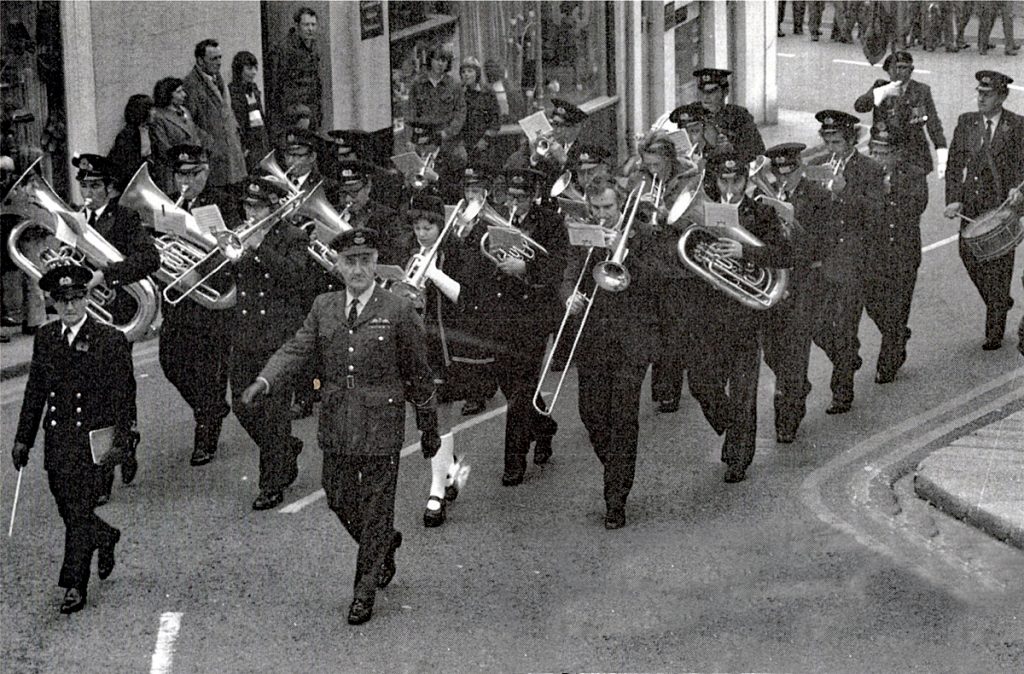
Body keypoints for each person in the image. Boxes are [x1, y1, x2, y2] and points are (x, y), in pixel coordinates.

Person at [240, 227, 439, 626]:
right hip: (337, 417)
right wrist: (265, 380)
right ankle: (384, 545)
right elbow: (296, 348)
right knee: (336, 495)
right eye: (350, 262)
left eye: (366, 261)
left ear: (376, 262)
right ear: (338, 265)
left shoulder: (396, 308)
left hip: (381, 421)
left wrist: (428, 424)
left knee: (378, 507)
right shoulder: (324, 306)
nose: (358, 270)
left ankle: (363, 592)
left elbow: (419, 372)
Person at [12, 263, 135, 614]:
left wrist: (122, 443)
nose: (70, 307)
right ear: (53, 302)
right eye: (62, 300)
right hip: (58, 441)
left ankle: (73, 584)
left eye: (77, 298)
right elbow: (35, 391)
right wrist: (24, 438)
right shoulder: (46, 338)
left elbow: (124, 395)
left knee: (79, 511)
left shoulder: (109, 339)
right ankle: (105, 535)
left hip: (93, 444)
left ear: (88, 298)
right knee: (68, 507)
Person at [682, 152, 792, 483]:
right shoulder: (705, 213)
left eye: (736, 181)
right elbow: (687, 249)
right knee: (701, 383)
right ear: (714, 181)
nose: (730, 187)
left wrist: (745, 251)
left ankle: (738, 458)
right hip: (708, 313)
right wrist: (707, 253)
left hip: (745, 316)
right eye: (723, 181)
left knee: (744, 391)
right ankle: (732, 424)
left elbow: (785, 255)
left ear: (745, 180)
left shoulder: (762, 213)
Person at [561, 176, 660, 528]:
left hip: (633, 339)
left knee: (622, 418)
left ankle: (615, 497)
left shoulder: (642, 235)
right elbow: (569, 274)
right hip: (593, 338)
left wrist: (624, 250)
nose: (603, 215)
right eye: (597, 208)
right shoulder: (584, 234)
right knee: (591, 413)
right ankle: (617, 469)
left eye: (608, 208)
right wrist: (569, 296)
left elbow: (656, 280)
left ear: (620, 206)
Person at [460, 168, 565, 485]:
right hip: (500, 311)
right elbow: (473, 261)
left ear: (534, 195)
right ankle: (544, 427)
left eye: (521, 196)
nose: (514, 202)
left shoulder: (551, 221)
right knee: (510, 383)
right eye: (510, 196)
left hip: (534, 313)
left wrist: (526, 266)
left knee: (520, 388)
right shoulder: (490, 220)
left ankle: (514, 461)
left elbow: (559, 262)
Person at [73, 153, 160, 499]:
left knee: (115, 394)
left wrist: (106, 274)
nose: (88, 192)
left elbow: (149, 259)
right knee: (91, 398)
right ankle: (112, 455)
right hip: (81, 319)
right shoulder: (73, 220)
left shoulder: (124, 219)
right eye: (83, 185)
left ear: (109, 188)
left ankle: (117, 451)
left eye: (95, 185)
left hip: (116, 319)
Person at [228, 177, 309, 510]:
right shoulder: (240, 236)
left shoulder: (294, 237)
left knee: (274, 413)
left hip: (278, 337)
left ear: (275, 207)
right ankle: (284, 449)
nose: (251, 212)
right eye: (248, 205)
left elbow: (296, 278)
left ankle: (272, 483)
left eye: (258, 206)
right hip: (245, 333)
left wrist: (261, 247)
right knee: (241, 405)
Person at [157, 145, 240, 466]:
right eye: (181, 174)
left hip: (212, 300)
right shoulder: (165, 204)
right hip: (178, 302)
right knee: (170, 363)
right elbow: (159, 248)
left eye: (194, 174)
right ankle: (211, 408)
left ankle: (206, 430)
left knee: (208, 371)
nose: (186, 181)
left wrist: (199, 271)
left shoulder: (224, 203)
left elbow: (232, 250)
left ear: (206, 171)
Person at [396, 196, 473, 527]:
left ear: (441, 226)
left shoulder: (455, 253)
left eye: (428, 227)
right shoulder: (411, 254)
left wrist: (434, 273)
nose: (422, 234)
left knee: (439, 417)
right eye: (417, 228)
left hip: (444, 346)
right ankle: (452, 466)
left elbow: (464, 296)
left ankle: (436, 492)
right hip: (416, 346)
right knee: (427, 419)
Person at [810, 110, 885, 414]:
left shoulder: (869, 169)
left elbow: (876, 213)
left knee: (843, 327)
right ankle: (848, 357)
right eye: (827, 139)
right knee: (817, 327)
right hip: (821, 260)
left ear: (851, 139)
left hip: (853, 261)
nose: (831, 147)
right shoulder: (816, 167)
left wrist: (844, 194)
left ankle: (841, 393)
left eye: (837, 140)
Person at [758, 142, 833, 443]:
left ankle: (787, 418)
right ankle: (797, 386)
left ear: (800, 167)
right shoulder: (766, 198)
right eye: (778, 173)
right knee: (772, 352)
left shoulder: (818, 196)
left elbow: (823, 245)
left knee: (793, 352)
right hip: (773, 284)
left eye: (789, 172)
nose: (784, 178)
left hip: (805, 284)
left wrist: (794, 224)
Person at [944, 70, 1024, 350]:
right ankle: (999, 302)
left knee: (1000, 268)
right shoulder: (966, 122)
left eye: (987, 94)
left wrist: (1019, 191)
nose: (981, 98)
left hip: (1002, 207)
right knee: (969, 256)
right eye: (979, 93)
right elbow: (954, 165)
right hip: (972, 205)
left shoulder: (1017, 125)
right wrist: (953, 199)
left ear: (1002, 97)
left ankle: (994, 330)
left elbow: (1022, 166)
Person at [861, 126, 928, 384]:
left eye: (884, 152)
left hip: (902, 255)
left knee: (897, 309)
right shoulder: (864, 175)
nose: (877, 157)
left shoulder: (914, 175)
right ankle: (898, 334)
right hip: (873, 255)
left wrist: (890, 192)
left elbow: (917, 206)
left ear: (898, 154)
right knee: (874, 305)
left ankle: (888, 363)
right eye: (874, 151)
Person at [853, 51, 948, 178]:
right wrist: (880, 93)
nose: (898, 72)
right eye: (894, 68)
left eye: (903, 68)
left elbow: (933, 123)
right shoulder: (880, 86)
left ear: (911, 70)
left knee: (915, 194)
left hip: (913, 153)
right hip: (884, 150)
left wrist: (942, 154)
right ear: (888, 71)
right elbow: (860, 107)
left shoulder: (921, 90)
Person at [182, 39, 248, 190]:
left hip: (232, 153)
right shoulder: (191, 85)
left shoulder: (219, 79)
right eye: (213, 59)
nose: (218, 63)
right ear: (200, 60)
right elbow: (189, 123)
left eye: (220, 58)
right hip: (214, 160)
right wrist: (209, 145)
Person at [408, 45, 467, 180]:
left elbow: (460, 112)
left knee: (460, 160)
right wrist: (409, 140)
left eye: (444, 60)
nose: (441, 64)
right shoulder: (418, 84)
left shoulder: (454, 85)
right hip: (424, 139)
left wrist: (448, 132)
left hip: (448, 140)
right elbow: (411, 113)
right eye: (437, 59)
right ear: (430, 60)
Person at [693, 68, 765, 163]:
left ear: (725, 92)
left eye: (712, 92)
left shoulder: (739, 116)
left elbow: (757, 152)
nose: (706, 97)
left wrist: (731, 149)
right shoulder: (692, 113)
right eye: (702, 92)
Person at [268, 7, 323, 131]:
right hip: (294, 117)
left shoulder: (313, 48)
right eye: (306, 25)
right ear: (297, 25)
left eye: (313, 25)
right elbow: (279, 87)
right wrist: (300, 114)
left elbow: (316, 84)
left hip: (311, 114)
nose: (310, 29)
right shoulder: (284, 49)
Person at [150, 77, 209, 193]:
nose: (184, 95)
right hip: (174, 172)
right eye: (179, 92)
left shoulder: (184, 111)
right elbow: (163, 148)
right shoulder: (159, 116)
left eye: (183, 91)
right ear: (168, 95)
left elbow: (194, 134)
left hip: (193, 167)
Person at [229, 51, 271, 172]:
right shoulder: (233, 92)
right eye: (249, 68)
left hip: (260, 140)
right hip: (248, 143)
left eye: (255, 68)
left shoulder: (254, 89)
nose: (253, 72)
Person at [107, 94, 154, 191]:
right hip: (131, 184)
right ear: (143, 112)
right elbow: (127, 166)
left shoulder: (150, 130)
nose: (154, 113)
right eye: (151, 109)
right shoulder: (127, 135)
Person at [459, 57, 500, 165]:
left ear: (477, 73)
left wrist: (485, 140)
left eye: (470, 71)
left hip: (484, 144)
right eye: (463, 72)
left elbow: (495, 119)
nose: (466, 74)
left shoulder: (487, 93)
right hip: (464, 144)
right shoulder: (459, 94)